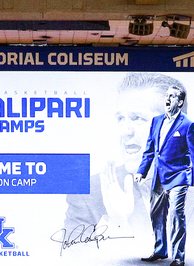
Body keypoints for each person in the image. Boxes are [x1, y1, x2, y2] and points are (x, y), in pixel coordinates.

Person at [64, 73, 184, 236]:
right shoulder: (88, 194)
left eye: (138, 118)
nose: (125, 131)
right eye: (121, 118)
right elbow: (73, 259)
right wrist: (118, 224)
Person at [134, 84, 194, 266]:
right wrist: (142, 171)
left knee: (176, 214)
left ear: (180, 102)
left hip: (179, 176)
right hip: (159, 176)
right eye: (166, 95)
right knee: (156, 213)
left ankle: (178, 257)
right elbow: (150, 150)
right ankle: (160, 250)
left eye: (172, 96)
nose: (167, 99)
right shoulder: (156, 121)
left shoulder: (188, 125)